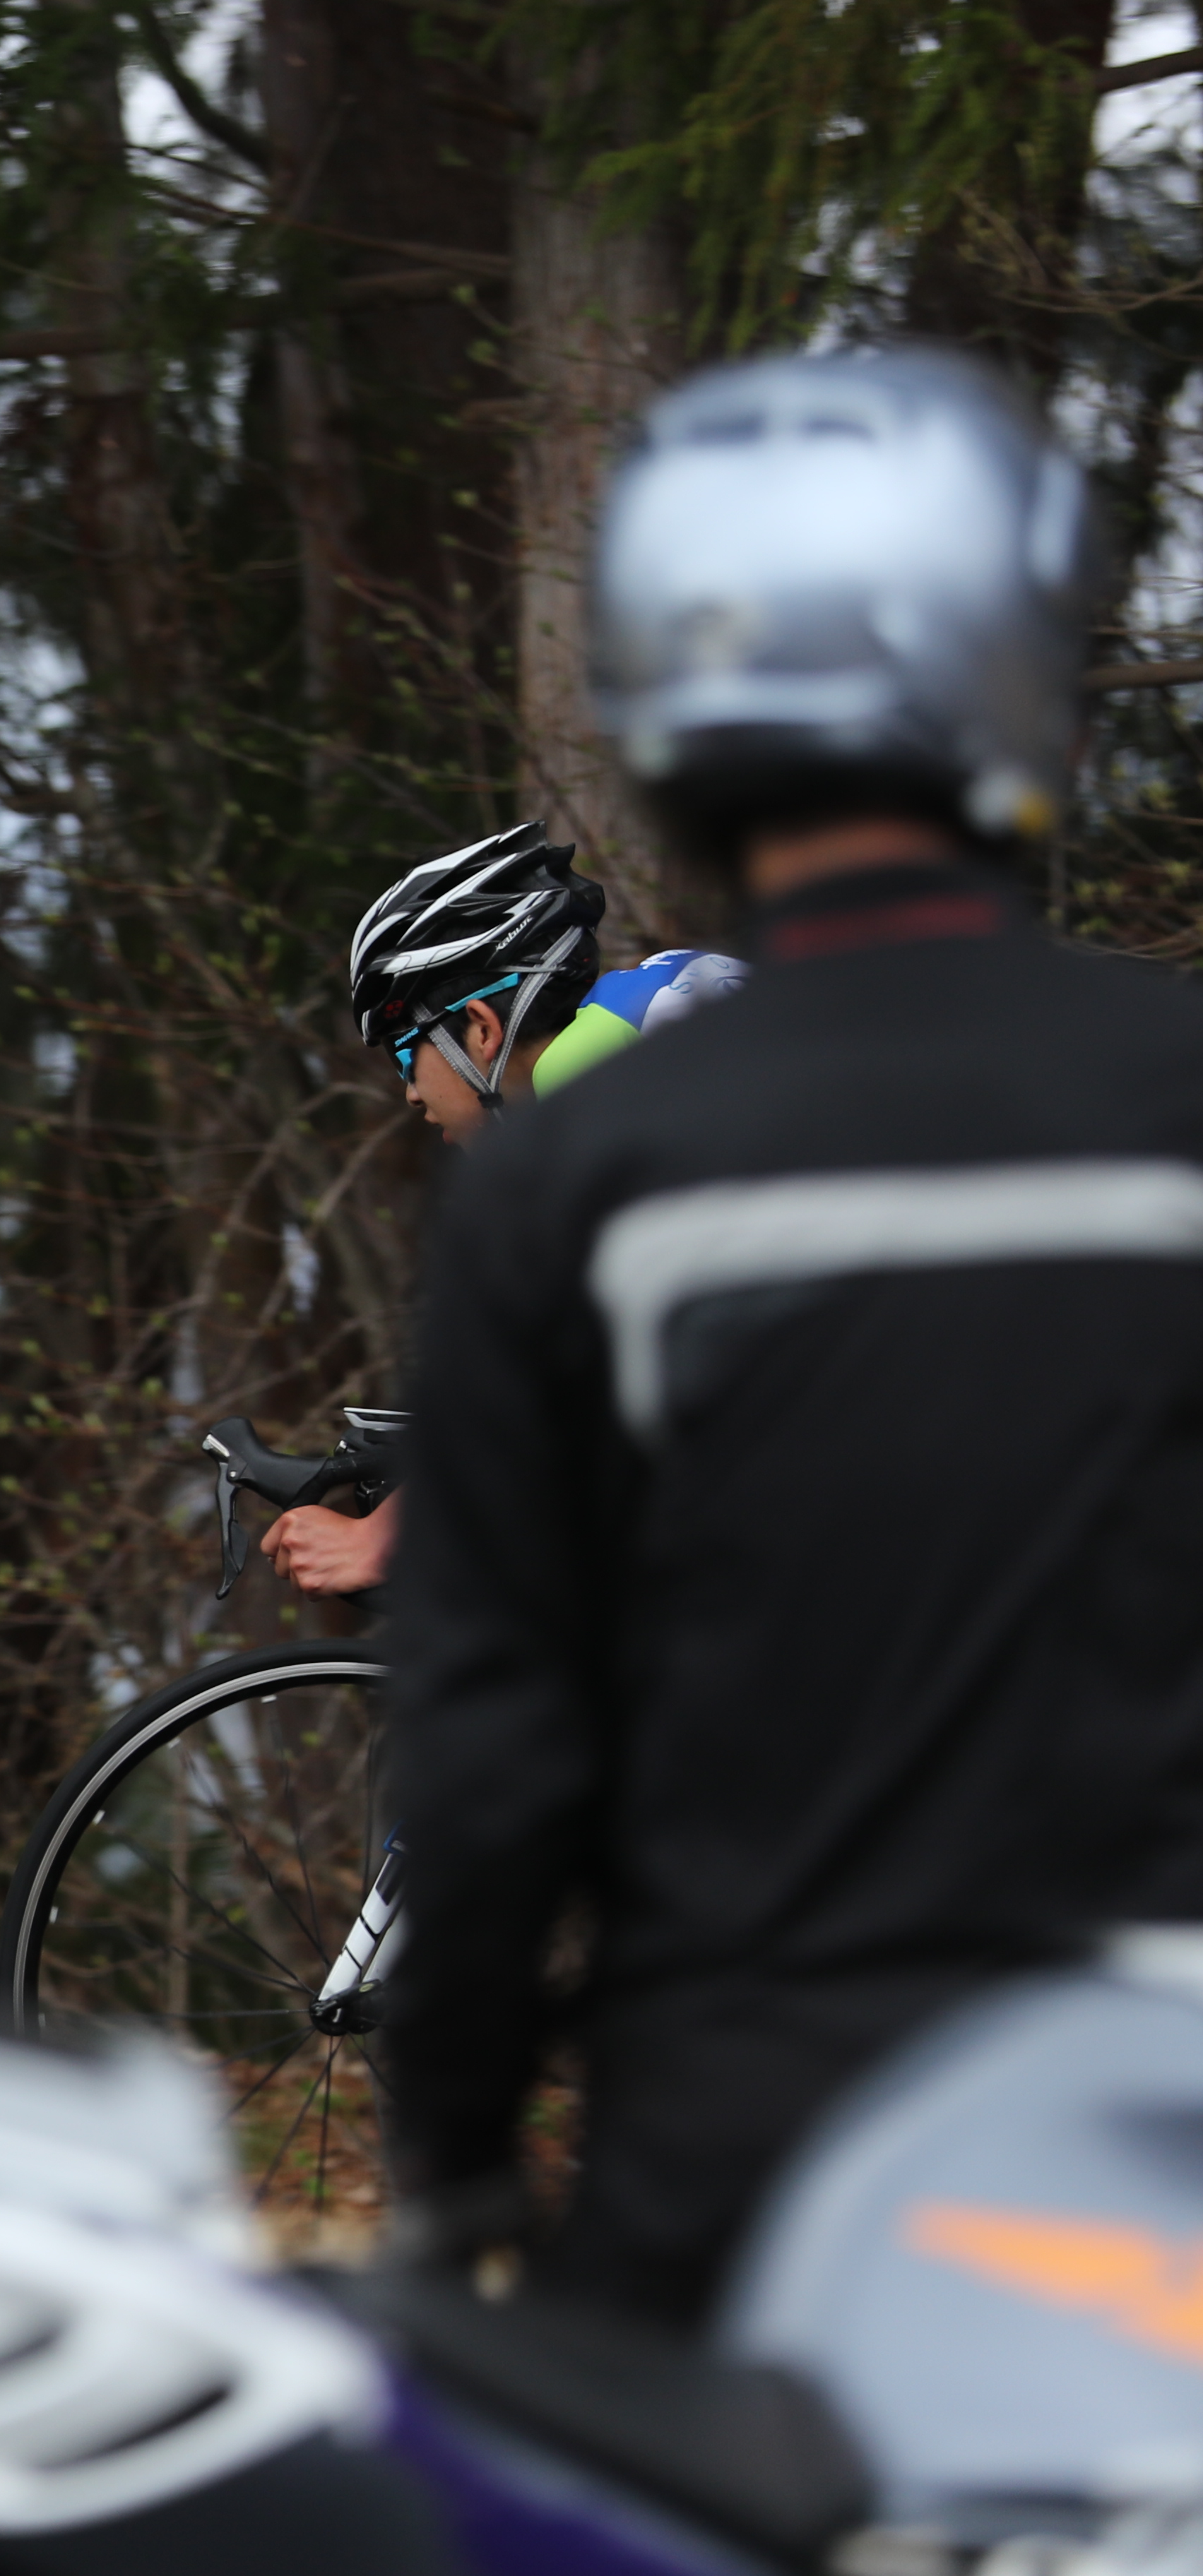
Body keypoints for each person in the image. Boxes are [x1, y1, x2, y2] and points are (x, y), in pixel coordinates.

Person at [381, 345, 1203, 2328]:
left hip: (749, 2175)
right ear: (1022, 692)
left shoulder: (570, 1180)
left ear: (671, 728)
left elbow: (492, 1759)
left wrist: (453, 2164)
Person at [265, 829, 745, 1597]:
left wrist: (384, 1534)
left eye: (405, 1053)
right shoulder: (650, 1018)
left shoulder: (586, 1083)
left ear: (482, 1029)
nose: (410, 1094)